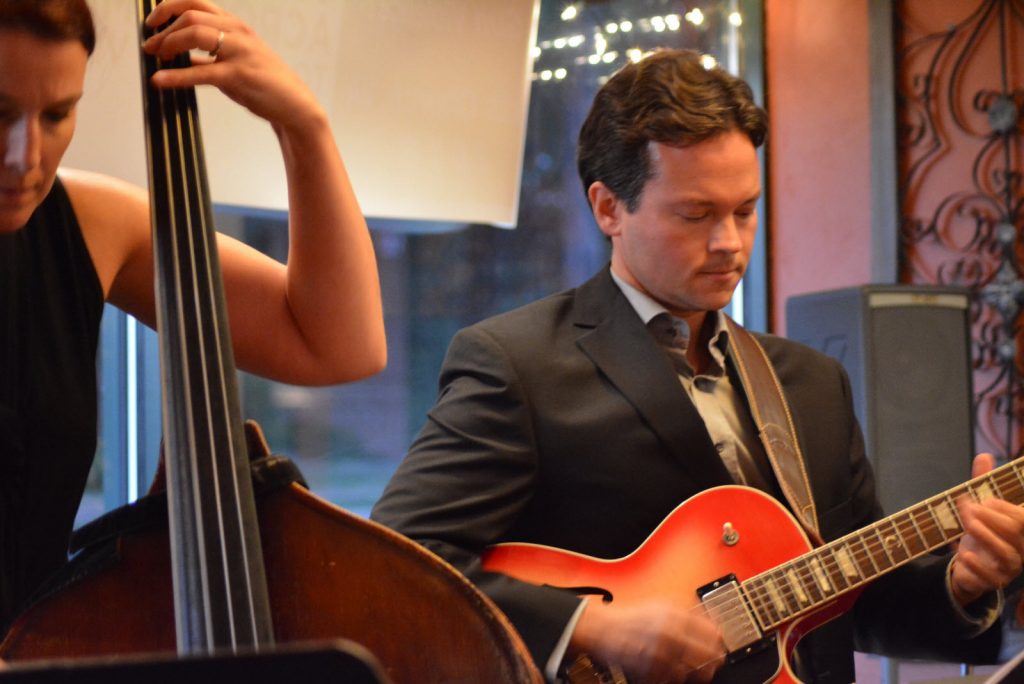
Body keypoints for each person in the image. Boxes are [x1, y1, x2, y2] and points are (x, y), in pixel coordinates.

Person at [371, 48, 1024, 683]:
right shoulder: (518, 364)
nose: (729, 243)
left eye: (746, 210)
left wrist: (962, 583)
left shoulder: (813, 384)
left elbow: (855, 606)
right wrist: (588, 627)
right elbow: (393, 564)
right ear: (607, 208)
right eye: (696, 214)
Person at [0, 0, 385, 634]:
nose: (25, 155)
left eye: (57, 114)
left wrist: (302, 124)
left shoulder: (89, 224)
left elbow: (339, 345)